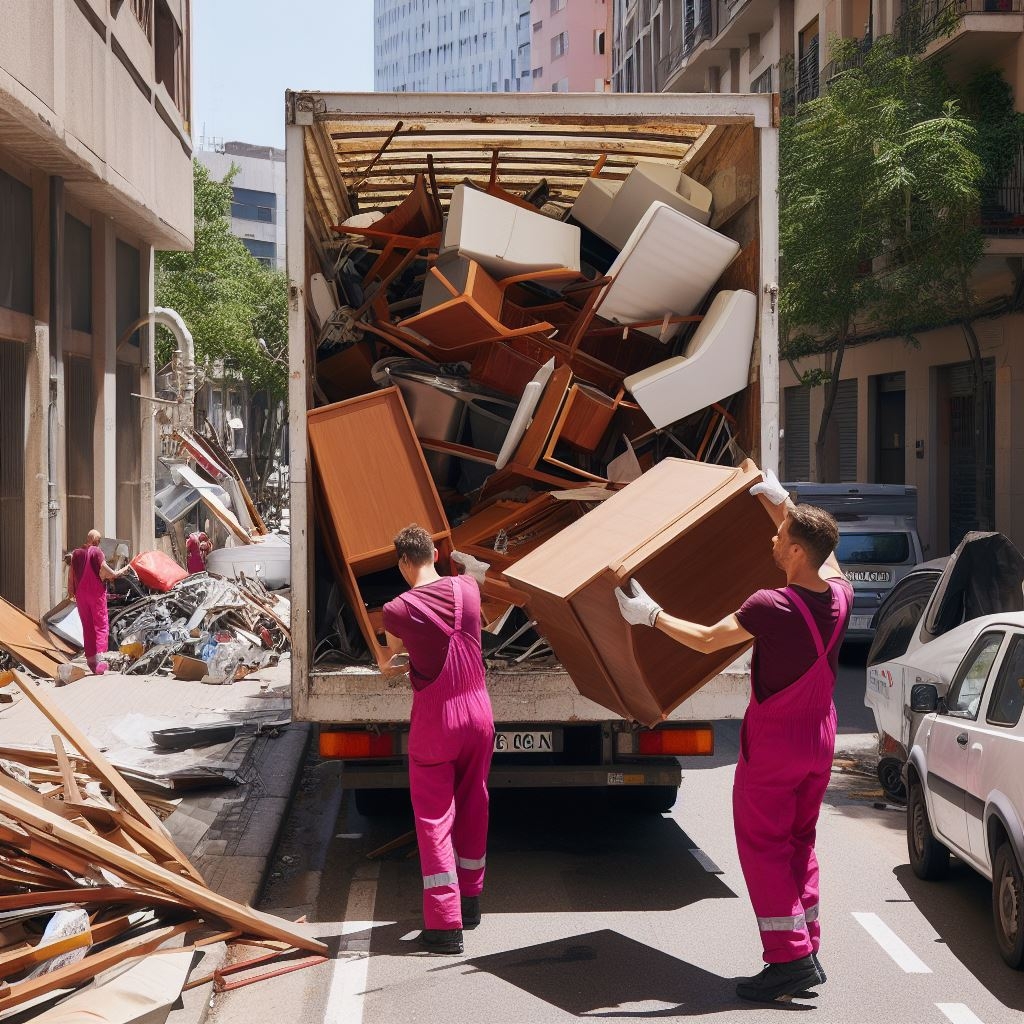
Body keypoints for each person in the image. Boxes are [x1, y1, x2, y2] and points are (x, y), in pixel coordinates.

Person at [614, 471, 852, 1003]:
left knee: (763, 846)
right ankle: (807, 945)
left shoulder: (771, 605)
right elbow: (823, 555)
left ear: (793, 551)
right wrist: (781, 502)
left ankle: (789, 961)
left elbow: (705, 641)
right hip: (819, 736)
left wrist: (650, 616)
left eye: (778, 535)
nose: (770, 540)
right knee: (799, 843)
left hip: (776, 745)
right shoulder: (841, 593)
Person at [380, 524, 495, 956]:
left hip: (437, 722)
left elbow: (390, 662)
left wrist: (391, 661)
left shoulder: (397, 608)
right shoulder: (467, 588)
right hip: (479, 716)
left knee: (434, 820)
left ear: (402, 562)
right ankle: (470, 903)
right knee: (473, 805)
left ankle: (445, 927)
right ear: (435, 553)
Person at [68, 530, 130, 675]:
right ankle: (101, 659)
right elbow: (105, 569)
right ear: (97, 541)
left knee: (87, 626)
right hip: (95, 593)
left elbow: (71, 575)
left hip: (81, 595)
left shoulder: (76, 553)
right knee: (101, 625)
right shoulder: (97, 552)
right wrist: (118, 572)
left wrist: (71, 592)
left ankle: (91, 660)